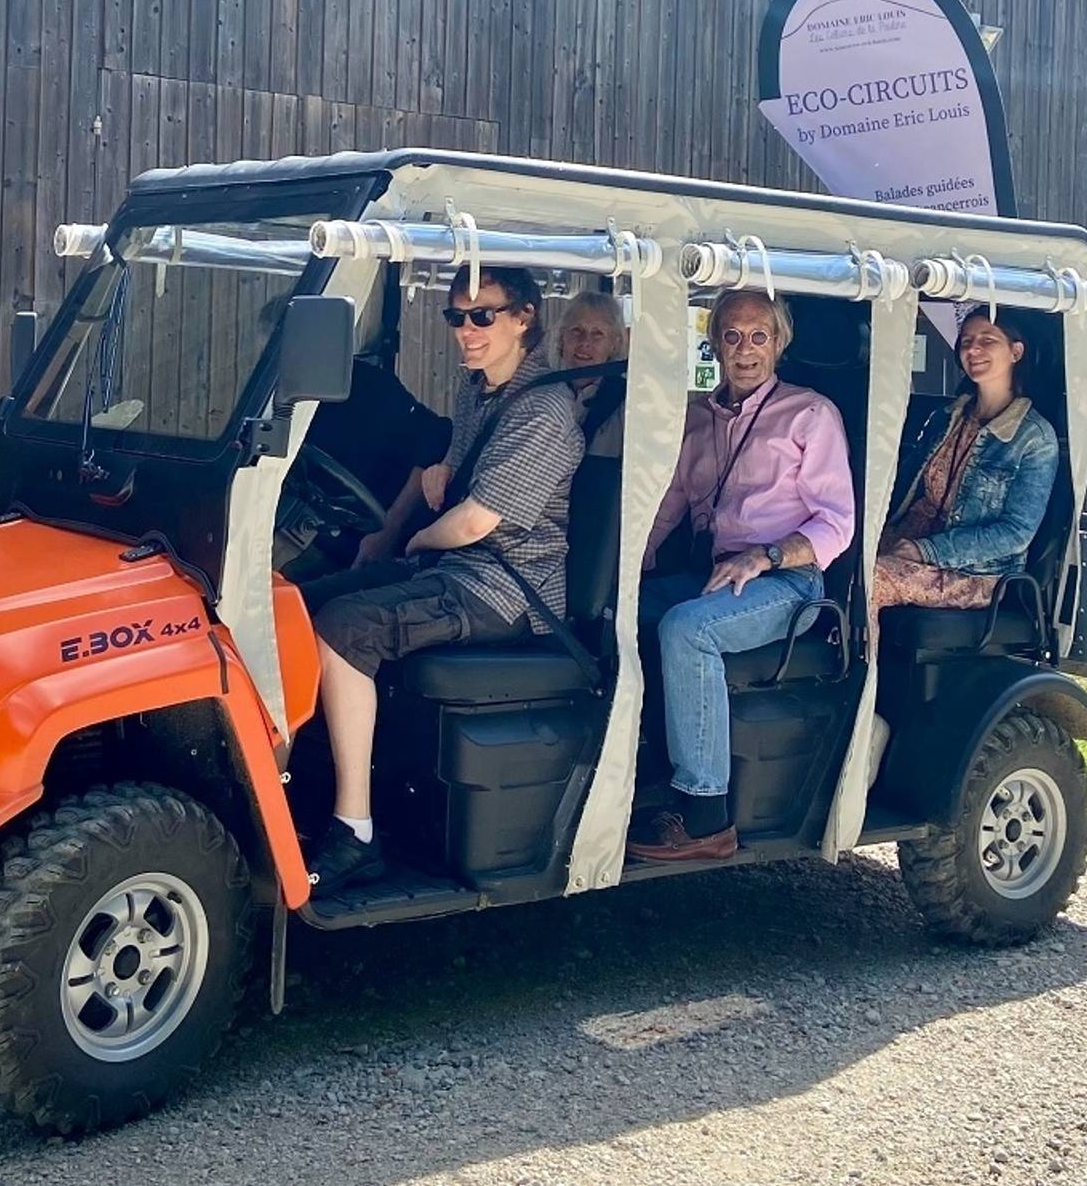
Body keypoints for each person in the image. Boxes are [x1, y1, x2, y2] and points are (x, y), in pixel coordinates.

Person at [304, 267, 584, 893]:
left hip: (509, 590)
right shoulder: (477, 390)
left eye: (482, 316)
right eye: (456, 318)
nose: (466, 331)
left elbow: (473, 522)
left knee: (346, 627)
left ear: (524, 318)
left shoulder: (544, 409)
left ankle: (356, 832)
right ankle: (301, 785)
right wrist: (404, 526)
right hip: (458, 569)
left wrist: (413, 540)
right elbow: (445, 476)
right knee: (295, 602)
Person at [626, 289, 855, 864]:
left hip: (789, 583)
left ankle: (705, 813)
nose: (745, 349)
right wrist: (626, 568)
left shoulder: (811, 414)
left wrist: (767, 558)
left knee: (686, 629)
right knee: (627, 612)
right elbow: (671, 504)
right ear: (714, 344)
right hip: (719, 573)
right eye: (732, 336)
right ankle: (644, 765)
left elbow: (838, 523)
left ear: (779, 343)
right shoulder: (699, 416)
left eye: (759, 336)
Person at [871, 308, 1059, 631]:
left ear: (1016, 351)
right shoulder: (947, 417)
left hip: (974, 572)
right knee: (830, 563)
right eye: (966, 341)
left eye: (988, 340)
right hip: (908, 540)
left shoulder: (1034, 438)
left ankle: (867, 680)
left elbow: (1015, 533)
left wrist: (928, 550)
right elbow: (902, 487)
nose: (973, 350)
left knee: (868, 582)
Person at [556, 291, 629, 458]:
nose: (585, 342)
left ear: (614, 344)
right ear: (562, 337)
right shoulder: (537, 392)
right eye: (576, 330)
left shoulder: (627, 403)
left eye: (598, 334)